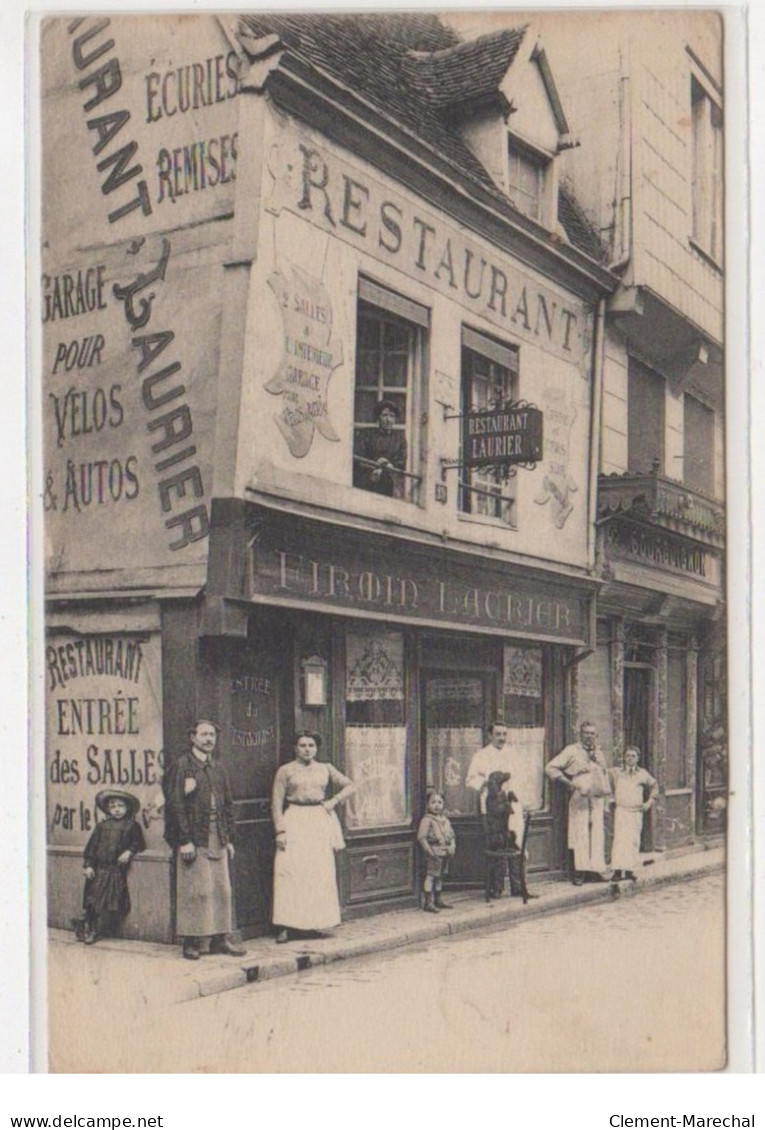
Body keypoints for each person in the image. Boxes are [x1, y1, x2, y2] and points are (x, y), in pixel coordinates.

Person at [163, 719, 246, 961]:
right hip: (194, 836)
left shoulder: (218, 767)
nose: (209, 739)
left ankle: (220, 939)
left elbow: (227, 805)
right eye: (204, 734)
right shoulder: (182, 766)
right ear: (193, 737)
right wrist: (184, 840)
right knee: (197, 890)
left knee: (222, 889)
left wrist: (228, 838)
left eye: (212, 735)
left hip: (216, 835)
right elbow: (174, 805)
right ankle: (191, 941)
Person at [271, 731, 355, 943]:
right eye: (302, 745)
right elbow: (276, 802)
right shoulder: (285, 771)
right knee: (289, 871)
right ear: (295, 748)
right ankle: (285, 925)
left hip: (317, 821)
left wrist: (333, 801)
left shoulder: (325, 768)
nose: (307, 749)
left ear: (316, 748)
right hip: (295, 820)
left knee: (317, 872)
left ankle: (313, 923)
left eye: (311, 745)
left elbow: (351, 785)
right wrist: (280, 830)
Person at [75, 789, 145, 944]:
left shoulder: (132, 825)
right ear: (107, 809)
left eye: (121, 806)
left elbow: (138, 843)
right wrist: (88, 866)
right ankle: (89, 928)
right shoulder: (102, 826)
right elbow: (91, 848)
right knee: (92, 900)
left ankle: (91, 927)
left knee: (109, 901)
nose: (117, 809)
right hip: (99, 868)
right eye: (113, 806)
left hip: (115, 870)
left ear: (127, 808)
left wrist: (129, 851)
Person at [546, 721, 612, 886]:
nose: (589, 736)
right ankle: (580, 873)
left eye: (592, 734)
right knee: (580, 833)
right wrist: (568, 783)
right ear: (580, 734)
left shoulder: (599, 753)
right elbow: (550, 767)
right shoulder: (572, 750)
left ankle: (596, 870)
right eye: (586, 733)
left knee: (597, 834)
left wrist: (606, 802)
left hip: (596, 798)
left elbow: (604, 775)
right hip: (580, 797)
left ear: (596, 736)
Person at [609, 746, 659, 880]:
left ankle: (630, 870)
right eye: (627, 756)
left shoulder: (642, 773)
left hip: (636, 812)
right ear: (624, 758)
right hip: (622, 811)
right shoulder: (616, 772)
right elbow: (605, 782)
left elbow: (655, 786)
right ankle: (618, 871)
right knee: (620, 840)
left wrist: (649, 803)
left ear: (638, 758)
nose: (630, 758)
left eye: (633, 756)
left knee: (633, 841)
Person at [353, 399, 407, 498]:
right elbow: (359, 457)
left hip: (390, 482)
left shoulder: (399, 439)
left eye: (392, 416)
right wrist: (374, 465)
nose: (388, 419)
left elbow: (401, 461)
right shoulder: (367, 435)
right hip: (368, 479)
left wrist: (388, 464)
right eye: (384, 415)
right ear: (378, 417)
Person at [417, 789, 456, 912]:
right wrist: (429, 851)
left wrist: (452, 846)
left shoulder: (445, 820)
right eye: (433, 802)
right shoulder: (427, 820)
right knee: (431, 876)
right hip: (433, 852)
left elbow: (452, 835)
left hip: (445, 853)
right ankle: (428, 902)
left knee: (440, 876)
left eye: (440, 802)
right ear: (428, 804)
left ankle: (438, 899)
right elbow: (421, 837)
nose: (437, 805)